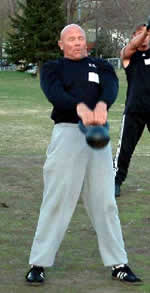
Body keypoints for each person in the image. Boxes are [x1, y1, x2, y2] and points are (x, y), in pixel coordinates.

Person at [25, 24, 141, 285]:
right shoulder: (53, 68)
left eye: (81, 38)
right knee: (57, 200)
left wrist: (101, 105)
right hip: (67, 133)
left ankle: (118, 263)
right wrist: (79, 107)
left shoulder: (101, 66)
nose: (77, 43)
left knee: (105, 202)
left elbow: (111, 88)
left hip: (97, 136)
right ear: (61, 44)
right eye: (71, 39)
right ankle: (38, 263)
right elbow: (54, 93)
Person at [113, 23, 150, 197]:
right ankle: (116, 181)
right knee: (125, 149)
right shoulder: (129, 56)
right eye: (139, 34)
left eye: (147, 34)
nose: (144, 37)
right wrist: (147, 29)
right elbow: (129, 49)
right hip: (134, 109)